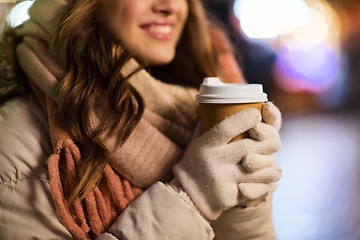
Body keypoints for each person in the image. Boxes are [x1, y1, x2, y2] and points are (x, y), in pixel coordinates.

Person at [0, 0, 282, 239]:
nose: (169, 6)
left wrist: (245, 196)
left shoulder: (198, 86)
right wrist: (191, 198)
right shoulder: (17, 138)